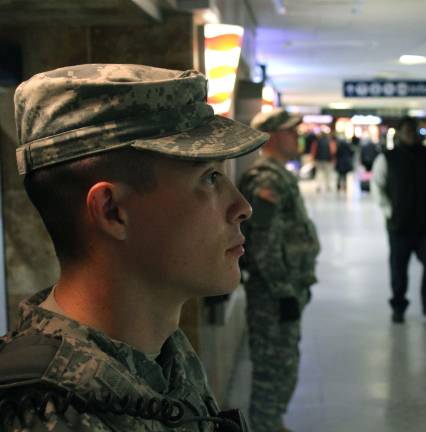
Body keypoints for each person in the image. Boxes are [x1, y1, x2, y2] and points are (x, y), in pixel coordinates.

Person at [0, 64, 268, 431]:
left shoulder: (157, 351)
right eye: (209, 178)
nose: (242, 207)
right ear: (113, 211)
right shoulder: (43, 411)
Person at [238, 108, 320, 432]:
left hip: (285, 291)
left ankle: (274, 424)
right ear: (272, 136)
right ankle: (265, 425)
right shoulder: (267, 179)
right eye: (290, 131)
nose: (297, 136)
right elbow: (264, 245)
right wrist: (284, 291)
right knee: (272, 373)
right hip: (273, 294)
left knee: (284, 367)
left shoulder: (279, 174)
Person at [371, 117, 426, 325]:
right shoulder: (387, 158)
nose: (410, 134)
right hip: (399, 224)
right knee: (398, 268)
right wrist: (389, 210)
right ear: (399, 133)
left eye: (413, 130)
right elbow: (377, 187)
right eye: (406, 130)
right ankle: (398, 305)